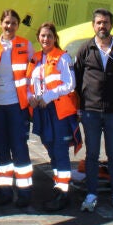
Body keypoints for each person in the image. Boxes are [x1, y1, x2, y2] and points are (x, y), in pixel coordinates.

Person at [74, 8, 113, 213]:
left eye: (106, 22)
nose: (102, 26)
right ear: (93, 25)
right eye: (99, 22)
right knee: (92, 154)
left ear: (111, 25)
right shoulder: (85, 49)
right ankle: (91, 194)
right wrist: (79, 106)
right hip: (90, 111)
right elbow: (77, 79)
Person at [29, 22, 79, 211]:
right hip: (42, 111)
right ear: (38, 37)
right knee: (50, 150)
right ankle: (59, 186)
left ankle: (63, 193)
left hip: (58, 111)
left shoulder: (63, 57)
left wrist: (48, 96)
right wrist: (30, 97)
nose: (46, 39)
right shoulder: (35, 58)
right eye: (43, 35)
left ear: (55, 38)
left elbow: (70, 84)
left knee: (60, 151)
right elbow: (29, 83)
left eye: (49, 35)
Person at [0, 9, 34, 208]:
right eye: (7, 22)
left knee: (20, 148)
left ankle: (24, 193)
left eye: (14, 23)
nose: (10, 26)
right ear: (1, 24)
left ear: (18, 25)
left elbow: (34, 74)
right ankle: (4, 191)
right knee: (1, 149)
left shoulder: (26, 44)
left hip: (17, 105)